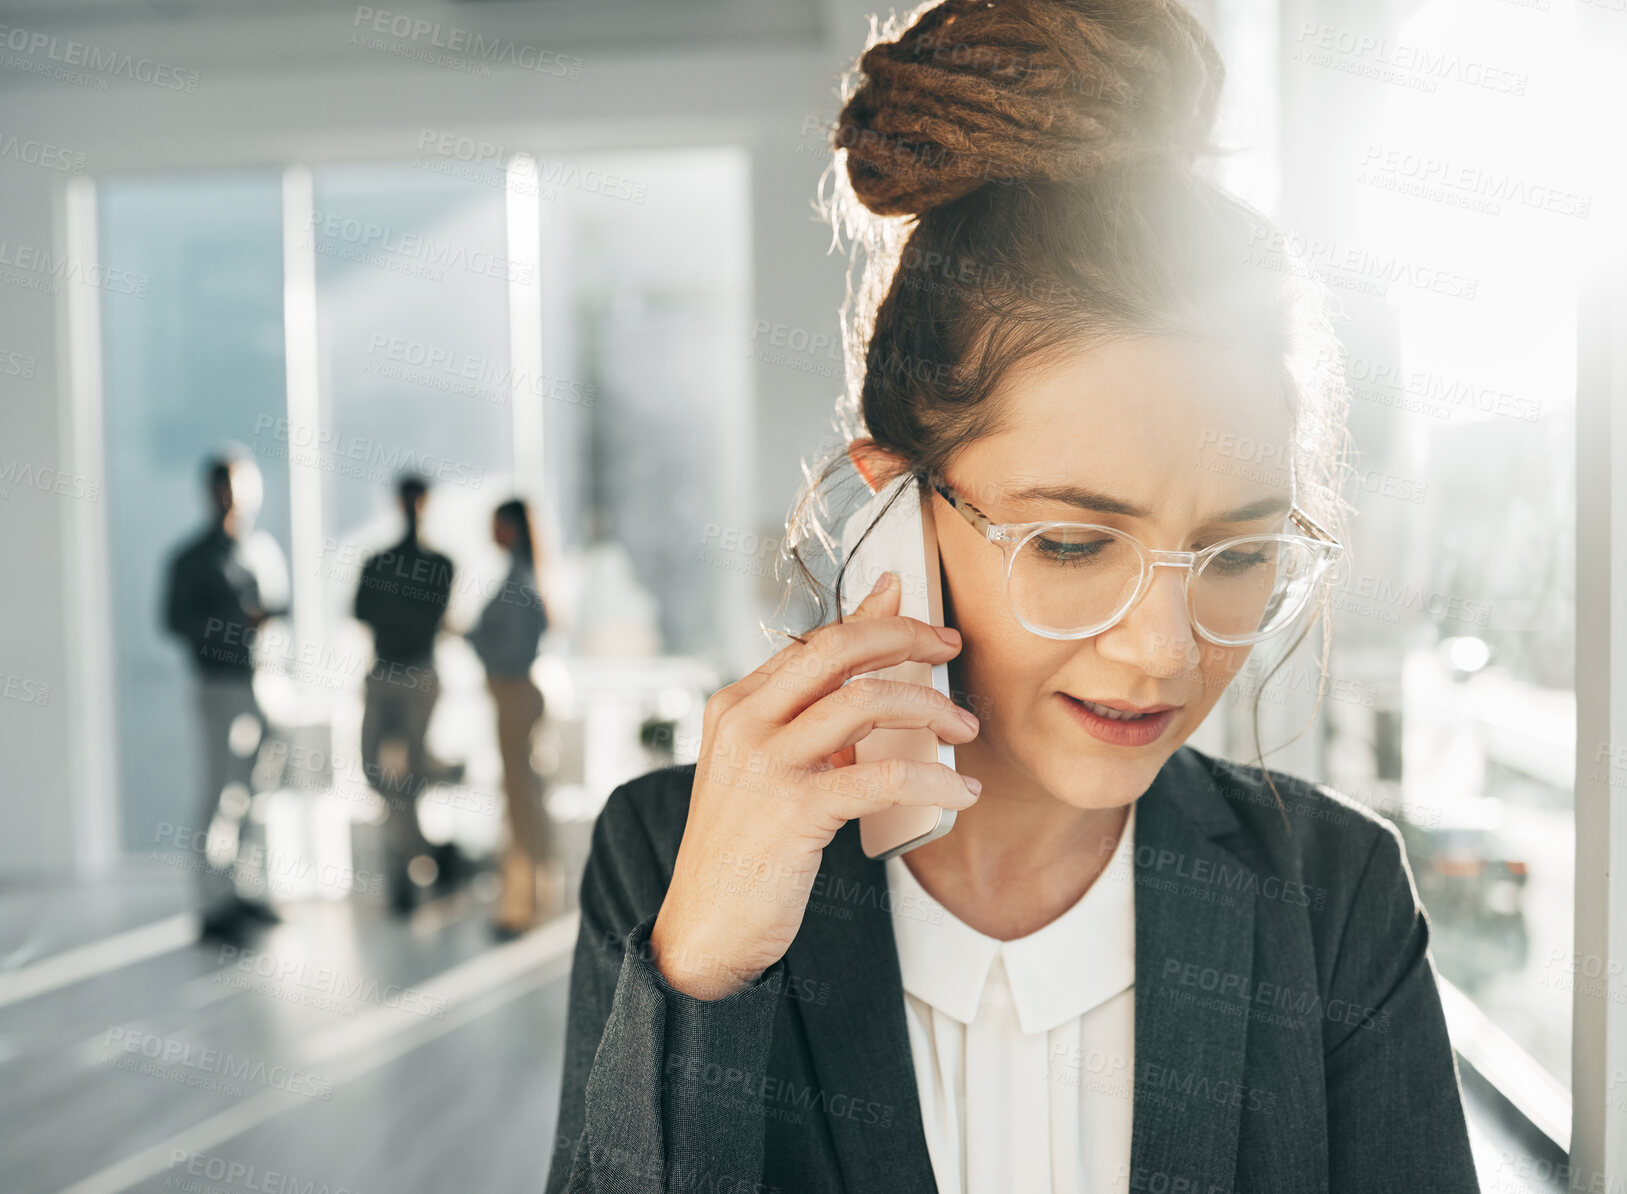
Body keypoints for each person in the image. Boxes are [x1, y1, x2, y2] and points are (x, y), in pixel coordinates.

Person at [546, 2, 1480, 1192]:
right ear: (892, 513)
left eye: (1237, 558)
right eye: (1075, 544)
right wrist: (702, 981)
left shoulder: (1331, 898)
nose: (1161, 653)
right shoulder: (672, 853)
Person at [163, 449, 289, 945]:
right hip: (218, 684)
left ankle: (246, 890)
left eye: (239, 489)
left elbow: (277, 606)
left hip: (261, 681)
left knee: (256, 792)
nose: (231, 500)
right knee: (219, 792)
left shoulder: (258, 550)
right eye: (223, 489)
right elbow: (174, 620)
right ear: (209, 493)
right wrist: (232, 629)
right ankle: (212, 902)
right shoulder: (191, 558)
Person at [353, 473, 457, 914]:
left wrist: (394, 608)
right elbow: (361, 610)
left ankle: (403, 876)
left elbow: (422, 619)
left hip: (418, 675)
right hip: (383, 673)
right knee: (377, 771)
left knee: (407, 776)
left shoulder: (440, 564)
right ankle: (434, 856)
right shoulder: (378, 560)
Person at [465, 499, 556, 939]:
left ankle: (521, 906)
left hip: (514, 695)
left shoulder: (518, 583)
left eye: (496, 523)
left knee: (519, 801)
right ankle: (534, 898)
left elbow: (512, 653)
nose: (490, 530)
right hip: (514, 697)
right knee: (525, 797)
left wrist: (475, 640)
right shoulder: (520, 577)